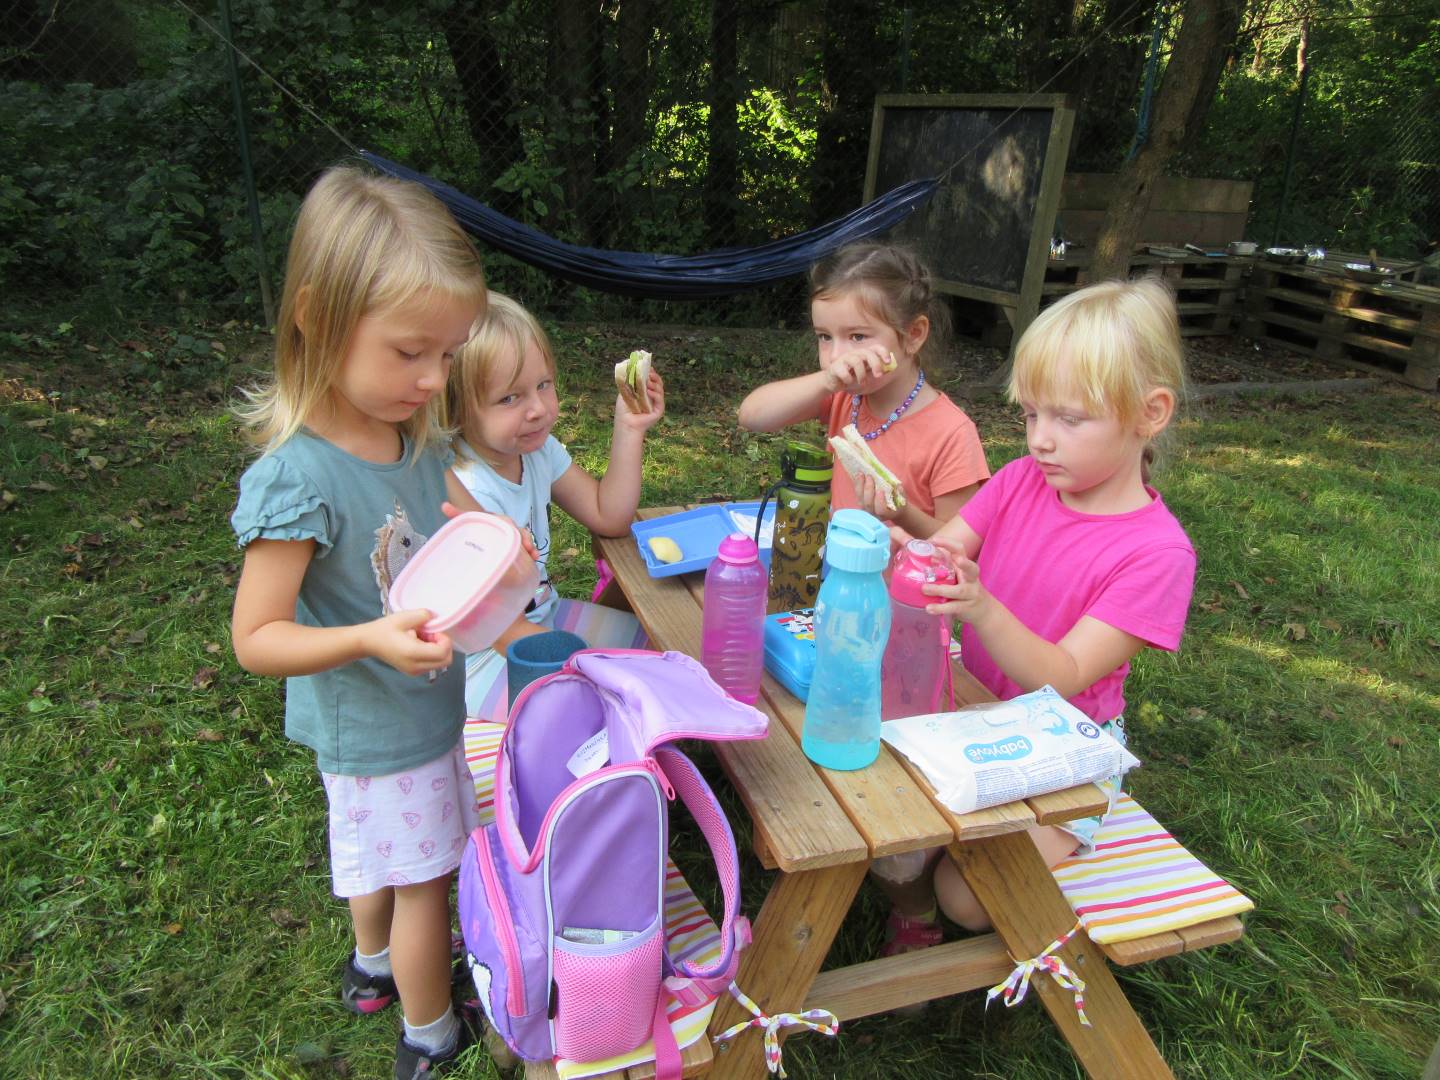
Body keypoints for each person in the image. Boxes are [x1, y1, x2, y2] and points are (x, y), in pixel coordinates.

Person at [229, 166, 509, 1079]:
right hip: (375, 729)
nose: (433, 379)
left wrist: (502, 546)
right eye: (410, 352)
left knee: (383, 854)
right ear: (318, 317)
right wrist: (366, 641)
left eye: (448, 356)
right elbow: (256, 638)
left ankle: (373, 964)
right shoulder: (298, 478)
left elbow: (468, 523)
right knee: (425, 881)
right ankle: (431, 1034)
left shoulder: (411, 437)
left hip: (424, 710)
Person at [875, 276, 1197, 955]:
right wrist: (912, 554)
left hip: (1065, 751)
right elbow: (947, 548)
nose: (1042, 440)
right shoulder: (1021, 480)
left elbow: (1067, 674)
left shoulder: (1156, 555)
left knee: (967, 897)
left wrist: (982, 607)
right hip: (973, 706)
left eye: (1069, 420)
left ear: (1151, 414)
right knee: (883, 804)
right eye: (1031, 415)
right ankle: (914, 903)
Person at [447, 292, 664, 724]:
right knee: (593, 707)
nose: (538, 409)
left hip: (544, 618)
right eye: (510, 398)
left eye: (543, 384)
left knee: (656, 648)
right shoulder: (466, 489)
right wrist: (584, 667)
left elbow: (608, 515)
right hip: (479, 661)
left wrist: (628, 427)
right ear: (457, 408)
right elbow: (493, 627)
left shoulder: (536, 452)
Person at [737, 242, 989, 535]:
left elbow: (962, 545)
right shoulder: (844, 398)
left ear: (913, 335)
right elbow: (752, 416)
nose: (836, 357)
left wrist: (903, 514)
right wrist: (826, 381)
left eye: (857, 336)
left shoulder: (951, 434)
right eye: (825, 337)